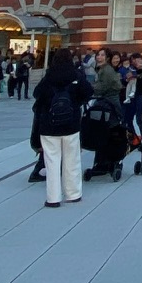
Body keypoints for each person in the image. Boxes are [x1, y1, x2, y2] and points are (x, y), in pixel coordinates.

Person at [32, 54, 85, 204]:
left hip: (49, 126)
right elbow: (88, 92)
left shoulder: (49, 77)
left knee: (52, 163)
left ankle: (53, 198)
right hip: (71, 125)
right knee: (72, 160)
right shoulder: (76, 76)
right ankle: (73, 194)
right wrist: (75, 103)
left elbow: (37, 94)